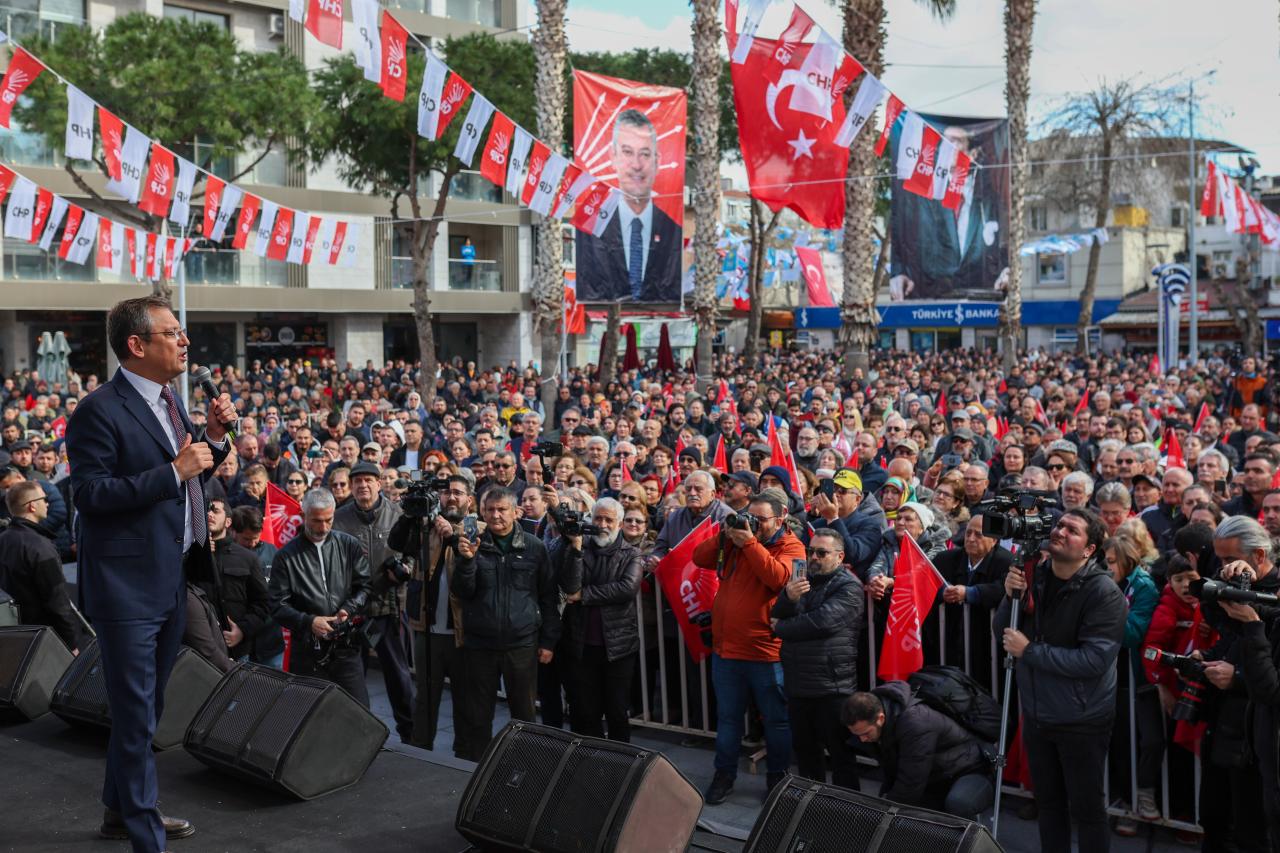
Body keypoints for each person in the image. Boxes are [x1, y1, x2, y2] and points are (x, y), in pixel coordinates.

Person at [67, 296, 235, 851]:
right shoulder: (98, 410)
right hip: (126, 589)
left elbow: (194, 471)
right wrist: (172, 469)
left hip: (171, 577)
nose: (185, 341)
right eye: (173, 332)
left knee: (148, 709)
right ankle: (145, 837)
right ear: (137, 345)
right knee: (137, 715)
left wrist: (210, 438)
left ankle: (120, 810)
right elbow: (90, 495)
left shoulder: (170, 400)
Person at [996, 509, 1127, 853]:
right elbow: (1004, 632)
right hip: (1038, 713)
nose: (1060, 531)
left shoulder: (1104, 593)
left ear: (1089, 549)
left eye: (1072, 530)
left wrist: (1031, 652)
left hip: (1082, 718)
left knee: (1087, 810)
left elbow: (1095, 660)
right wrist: (1010, 596)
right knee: (1049, 805)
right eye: (1059, 525)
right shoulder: (1035, 575)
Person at [694, 488, 804, 804]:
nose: (753, 523)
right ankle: (724, 774)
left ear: (782, 517)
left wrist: (750, 544)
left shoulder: (793, 546)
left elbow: (780, 579)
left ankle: (777, 778)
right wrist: (726, 537)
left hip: (765, 653)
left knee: (776, 720)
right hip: (727, 651)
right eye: (749, 516)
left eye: (761, 519)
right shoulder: (737, 541)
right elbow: (698, 558)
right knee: (728, 719)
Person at [451, 486, 563, 761]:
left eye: (502, 509)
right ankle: (477, 766)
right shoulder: (471, 543)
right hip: (480, 645)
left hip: (522, 645)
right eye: (490, 509)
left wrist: (548, 641)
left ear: (516, 512)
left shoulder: (534, 547)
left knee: (524, 714)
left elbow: (549, 596)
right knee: (478, 714)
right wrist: (466, 562)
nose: (496, 515)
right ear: (482, 512)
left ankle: (526, 767)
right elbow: (461, 592)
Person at [771, 529, 863, 788]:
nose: (814, 557)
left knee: (841, 755)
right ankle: (812, 807)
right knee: (806, 753)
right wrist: (788, 598)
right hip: (798, 682)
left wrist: (781, 628)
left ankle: (849, 811)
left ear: (839, 556)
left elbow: (820, 623)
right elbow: (778, 613)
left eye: (821, 553)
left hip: (831, 686)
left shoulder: (849, 586)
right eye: (811, 551)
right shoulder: (802, 579)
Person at [332, 460, 416, 742]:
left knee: (399, 679)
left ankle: (410, 734)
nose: (363, 485)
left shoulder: (397, 515)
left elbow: (413, 554)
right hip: (354, 611)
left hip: (390, 608)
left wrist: (404, 569)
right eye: (357, 481)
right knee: (353, 678)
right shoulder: (339, 518)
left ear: (380, 484)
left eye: (369, 480)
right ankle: (356, 736)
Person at [394, 474, 477, 754]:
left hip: (461, 633)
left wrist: (453, 535)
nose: (451, 497)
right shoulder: (426, 526)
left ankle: (464, 754)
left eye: (457, 492)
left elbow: (476, 559)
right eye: (446, 492)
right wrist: (409, 514)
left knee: (465, 701)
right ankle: (420, 748)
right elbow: (397, 542)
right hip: (426, 628)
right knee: (425, 699)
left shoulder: (476, 526)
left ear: (469, 499)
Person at [268, 488, 372, 705]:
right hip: (307, 651)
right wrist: (310, 621)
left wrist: (349, 609)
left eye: (329, 520)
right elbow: (277, 606)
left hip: (345, 646)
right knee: (309, 716)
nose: (323, 527)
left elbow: (365, 586)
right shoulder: (286, 556)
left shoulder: (348, 544)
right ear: (304, 516)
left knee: (359, 713)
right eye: (316, 520)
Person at [888, 123, 1006, 301]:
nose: (951, 148)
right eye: (946, 141)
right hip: (929, 303)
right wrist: (897, 273)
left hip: (978, 305)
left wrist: (1007, 269)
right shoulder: (920, 194)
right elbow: (902, 231)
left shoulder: (988, 196)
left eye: (958, 142)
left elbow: (1004, 239)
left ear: (971, 153)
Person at [575, 109, 682, 302]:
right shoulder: (589, 227)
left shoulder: (672, 230)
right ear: (613, 157)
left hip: (656, 321)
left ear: (657, 161)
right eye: (627, 152)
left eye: (645, 154)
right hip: (605, 323)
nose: (636, 165)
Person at [559, 497, 643, 742]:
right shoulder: (579, 547)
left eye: (608, 519)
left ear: (618, 523)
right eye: (598, 518)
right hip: (582, 645)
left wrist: (584, 595)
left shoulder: (631, 553)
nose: (603, 524)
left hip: (618, 648)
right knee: (586, 711)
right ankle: (590, 764)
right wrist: (575, 548)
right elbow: (569, 585)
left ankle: (620, 764)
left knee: (617, 711)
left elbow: (626, 588)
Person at [843, 686, 994, 818]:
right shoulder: (880, 720)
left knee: (958, 803)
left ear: (880, 718)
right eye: (858, 735)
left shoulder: (915, 723)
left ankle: (973, 844)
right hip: (937, 776)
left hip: (971, 770)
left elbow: (911, 781)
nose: (862, 739)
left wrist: (885, 814)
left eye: (865, 733)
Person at [0, 479, 89, 651]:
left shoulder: (4, 539)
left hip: (16, 635)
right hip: (47, 638)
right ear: (32, 506)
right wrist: (72, 642)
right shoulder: (39, 546)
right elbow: (57, 602)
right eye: (43, 500)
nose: (47, 504)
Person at [934, 515, 1013, 693]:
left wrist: (970, 593)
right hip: (952, 639)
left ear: (993, 540)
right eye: (968, 533)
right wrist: (943, 593)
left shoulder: (1006, 561)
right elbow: (927, 582)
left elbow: (1004, 588)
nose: (970, 539)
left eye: (978, 535)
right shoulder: (947, 558)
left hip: (988, 643)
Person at [201, 497, 278, 666]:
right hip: (199, 652)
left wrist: (242, 630)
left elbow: (263, 603)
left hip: (238, 653)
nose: (209, 514)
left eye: (215, 510)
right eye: (205, 509)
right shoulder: (189, 557)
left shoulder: (247, 558)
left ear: (228, 522)